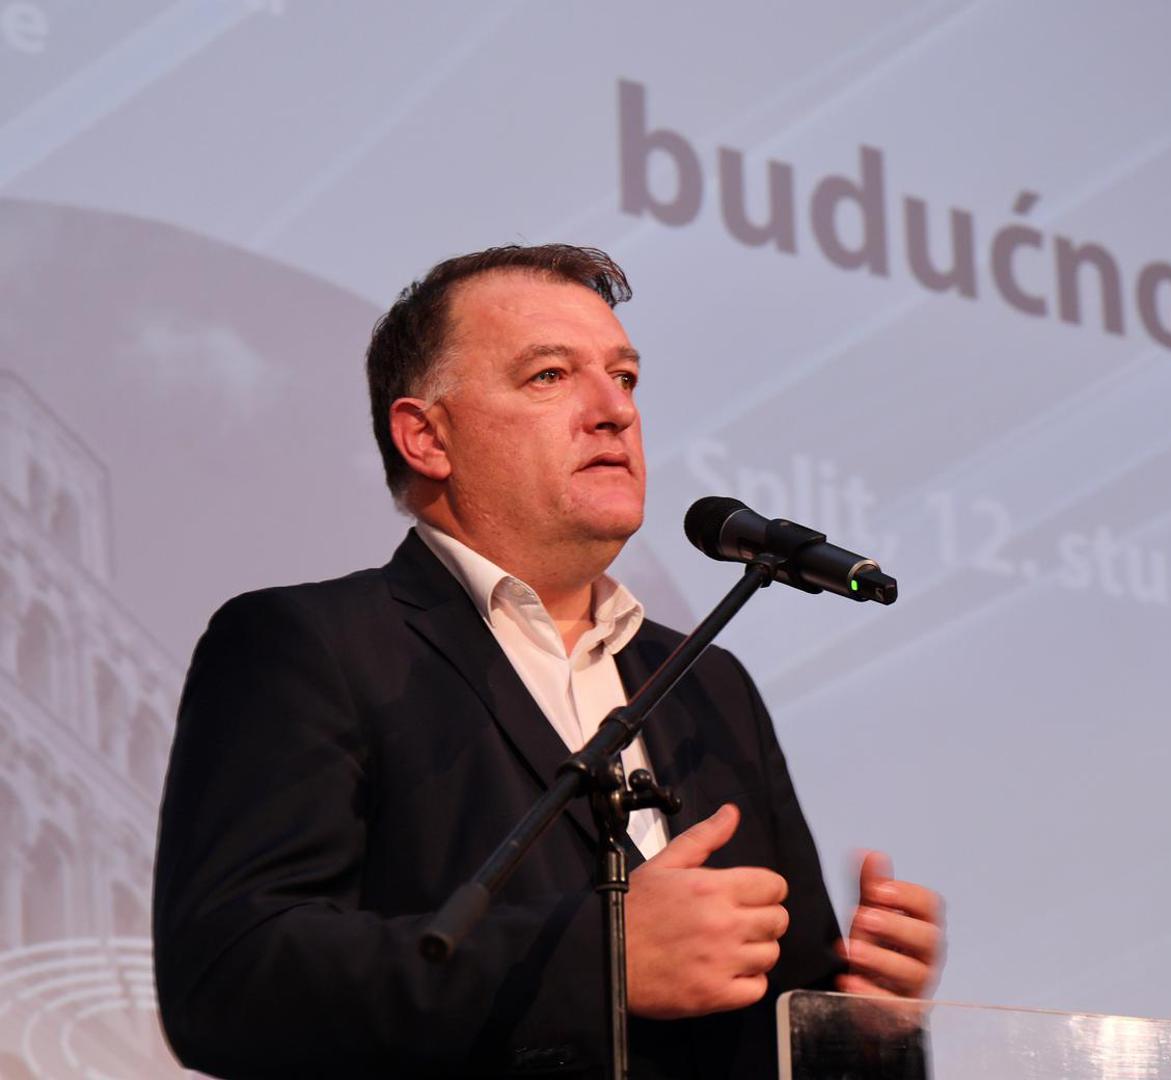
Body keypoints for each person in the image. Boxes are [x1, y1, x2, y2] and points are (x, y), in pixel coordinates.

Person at [151, 244, 944, 1077]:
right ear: (426, 436)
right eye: (549, 376)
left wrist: (867, 1029)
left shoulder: (710, 685)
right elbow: (228, 981)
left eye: (625, 377)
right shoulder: (310, 646)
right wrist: (599, 962)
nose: (615, 411)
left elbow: (784, 1027)